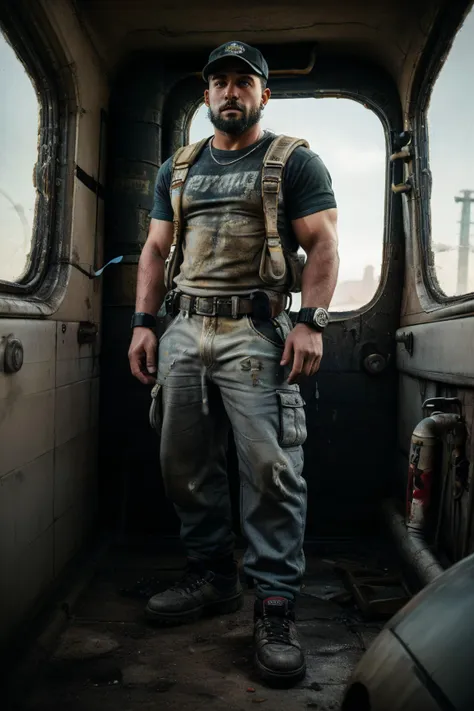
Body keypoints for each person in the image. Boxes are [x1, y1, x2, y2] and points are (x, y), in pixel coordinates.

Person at [128, 40, 339, 686]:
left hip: (255, 331)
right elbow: (156, 249)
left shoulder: (291, 161)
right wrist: (143, 323)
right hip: (184, 329)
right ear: (206, 94)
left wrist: (310, 321)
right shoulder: (180, 167)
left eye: (242, 82)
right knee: (182, 459)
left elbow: (324, 240)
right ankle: (214, 576)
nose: (229, 91)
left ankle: (273, 603)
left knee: (271, 467)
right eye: (218, 82)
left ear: (262, 95)